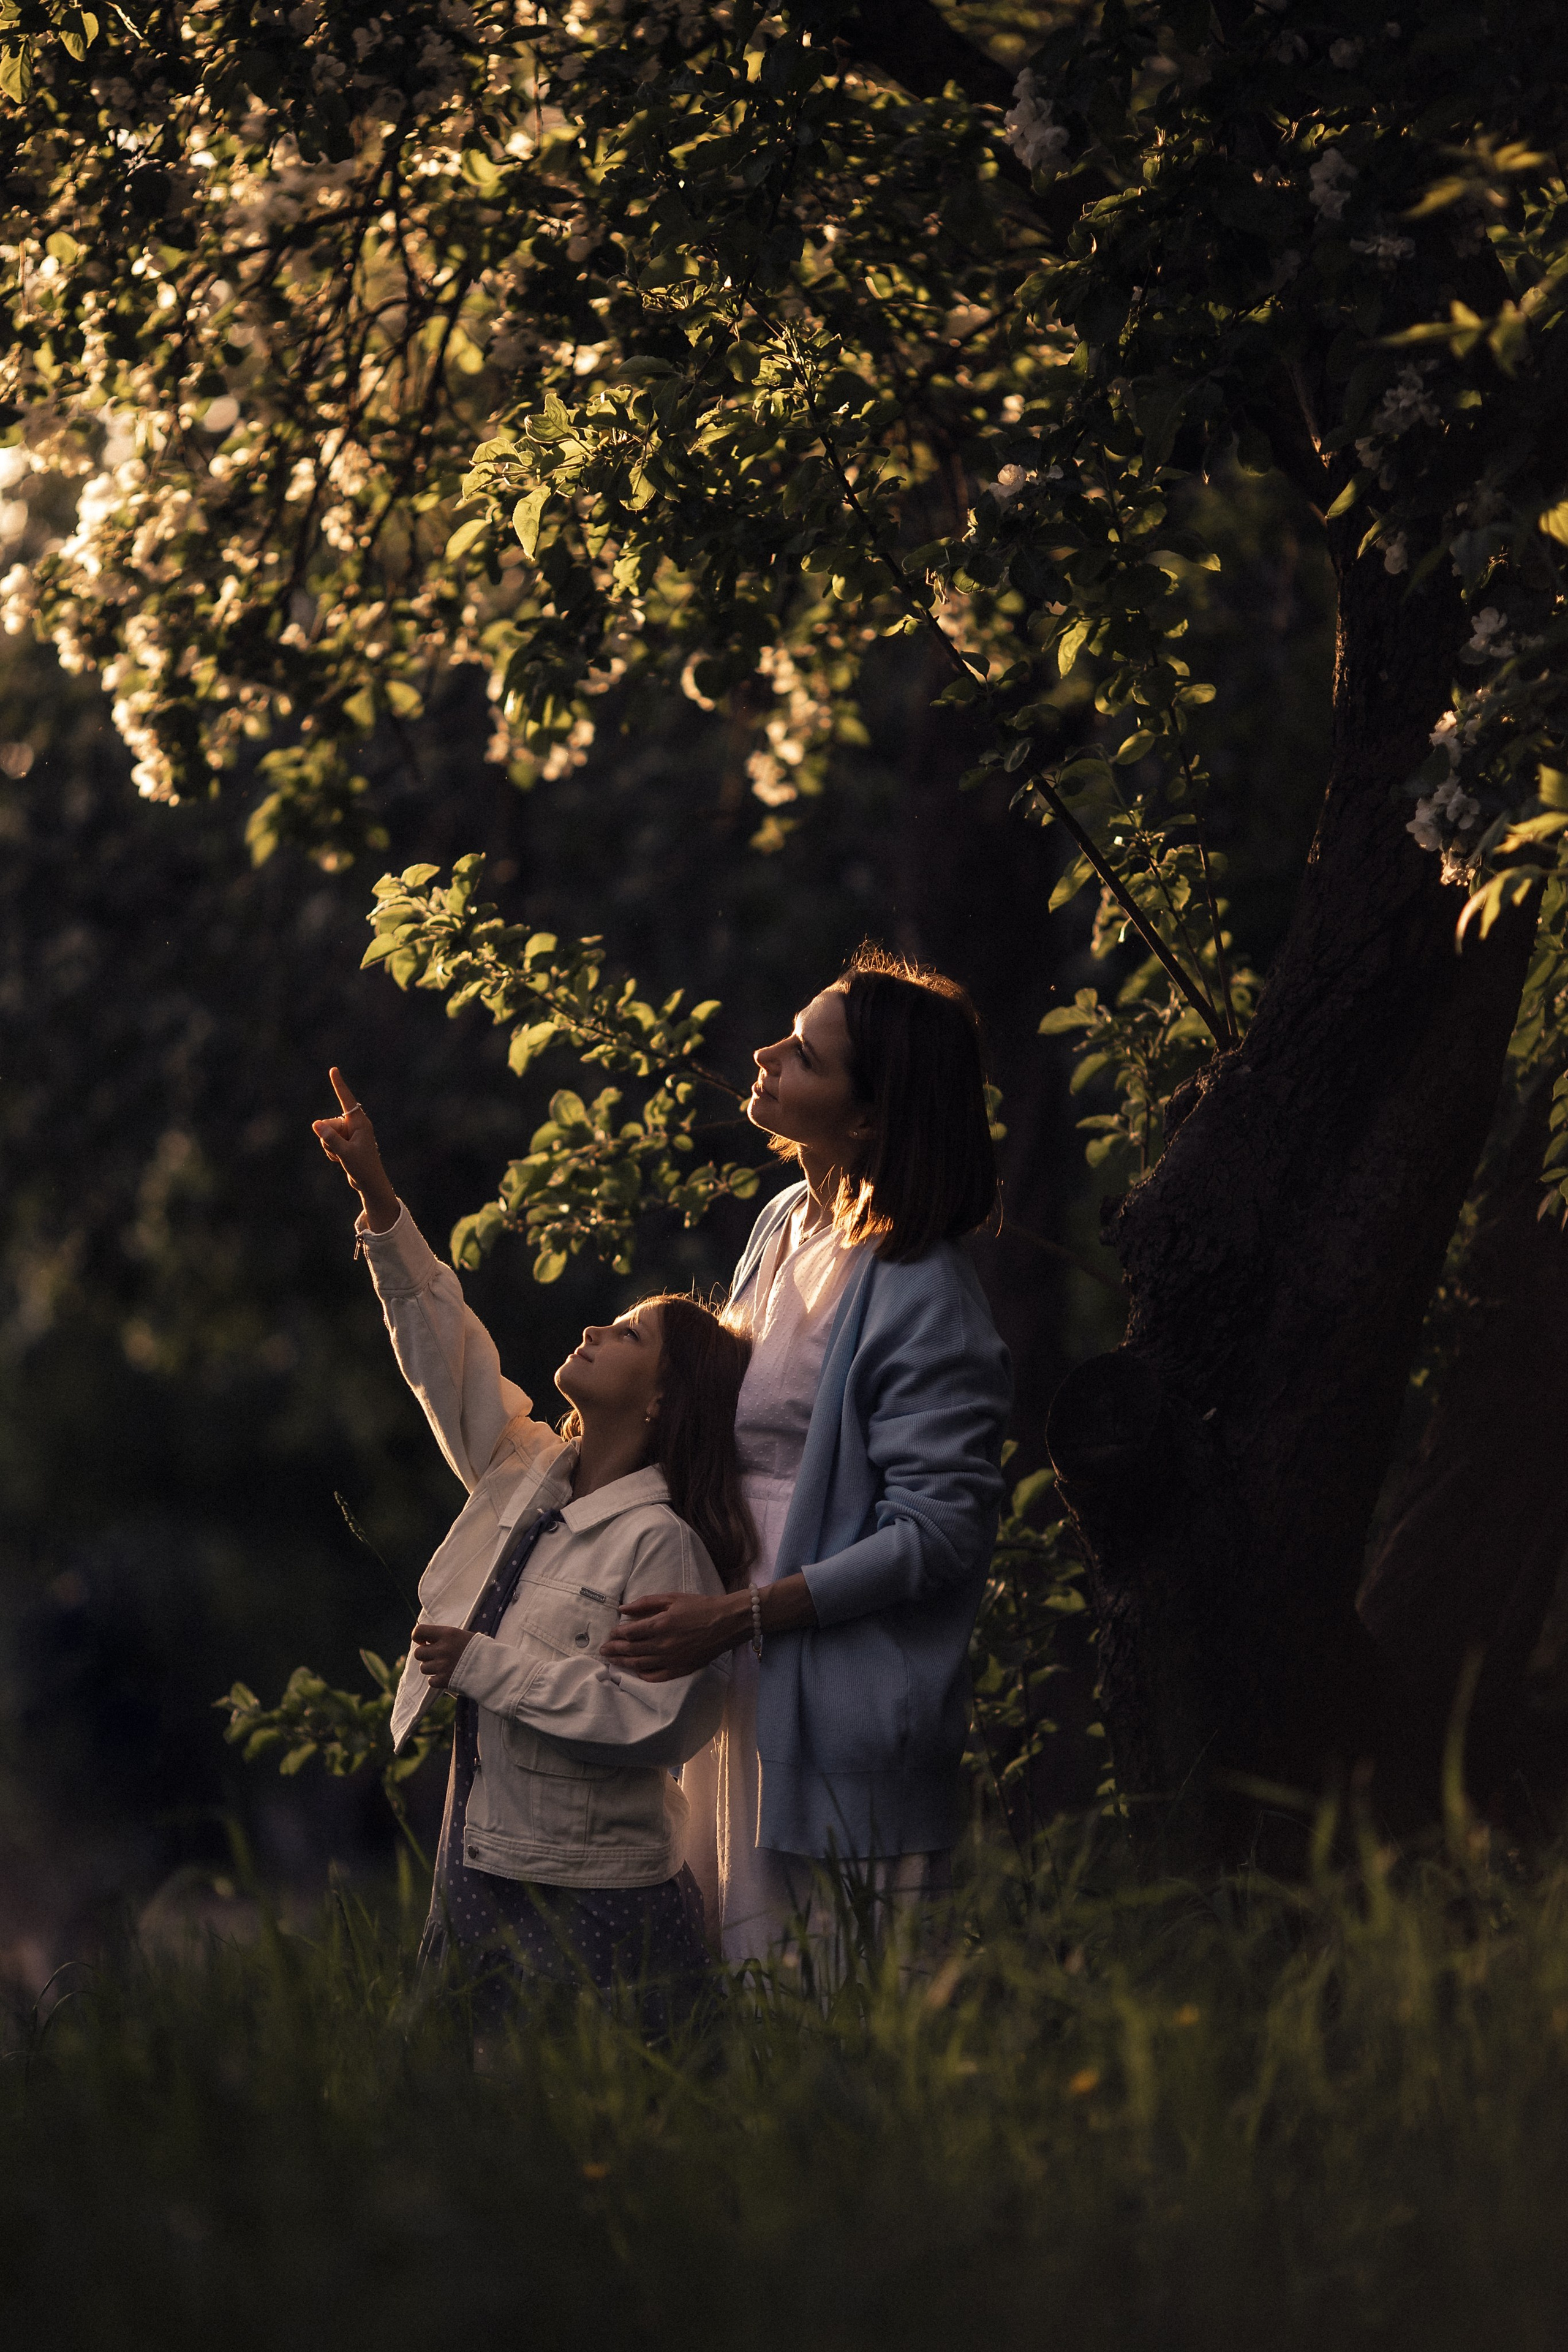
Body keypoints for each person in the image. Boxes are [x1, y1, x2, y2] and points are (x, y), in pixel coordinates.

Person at [599, 946, 1014, 1965]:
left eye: (805, 1057)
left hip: (837, 1708)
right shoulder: (787, 1222)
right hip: (731, 1674)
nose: (765, 1054)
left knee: (835, 2010)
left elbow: (941, 1531)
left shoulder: (923, 1290)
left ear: (868, 1118)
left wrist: (741, 1614)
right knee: (722, 2000)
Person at [311, 1068, 755, 2018]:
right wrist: (379, 1198)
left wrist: (488, 1666)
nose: (596, 1326)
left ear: (664, 1398)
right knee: (485, 2142)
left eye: (629, 1334)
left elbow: (659, 1721)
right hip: (479, 1857)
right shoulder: (525, 1474)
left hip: (599, 1892)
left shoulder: (663, 1544)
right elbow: (449, 1355)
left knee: (609, 2125)